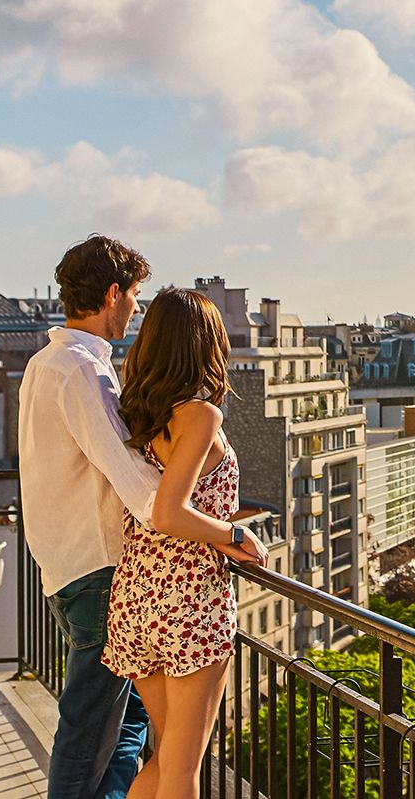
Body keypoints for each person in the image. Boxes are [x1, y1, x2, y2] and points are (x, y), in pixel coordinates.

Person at [103, 289, 268, 799]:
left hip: (137, 595)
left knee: (167, 756)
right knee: (181, 769)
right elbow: (170, 512)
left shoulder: (145, 416)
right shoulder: (200, 415)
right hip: (189, 598)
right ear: (206, 345)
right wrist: (235, 535)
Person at [20, 236, 168, 799]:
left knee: (123, 719)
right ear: (112, 294)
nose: (136, 308)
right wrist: (218, 530)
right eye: (135, 295)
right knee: (90, 728)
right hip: (98, 572)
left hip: (68, 567)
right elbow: (138, 487)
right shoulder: (84, 372)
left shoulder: (45, 363)